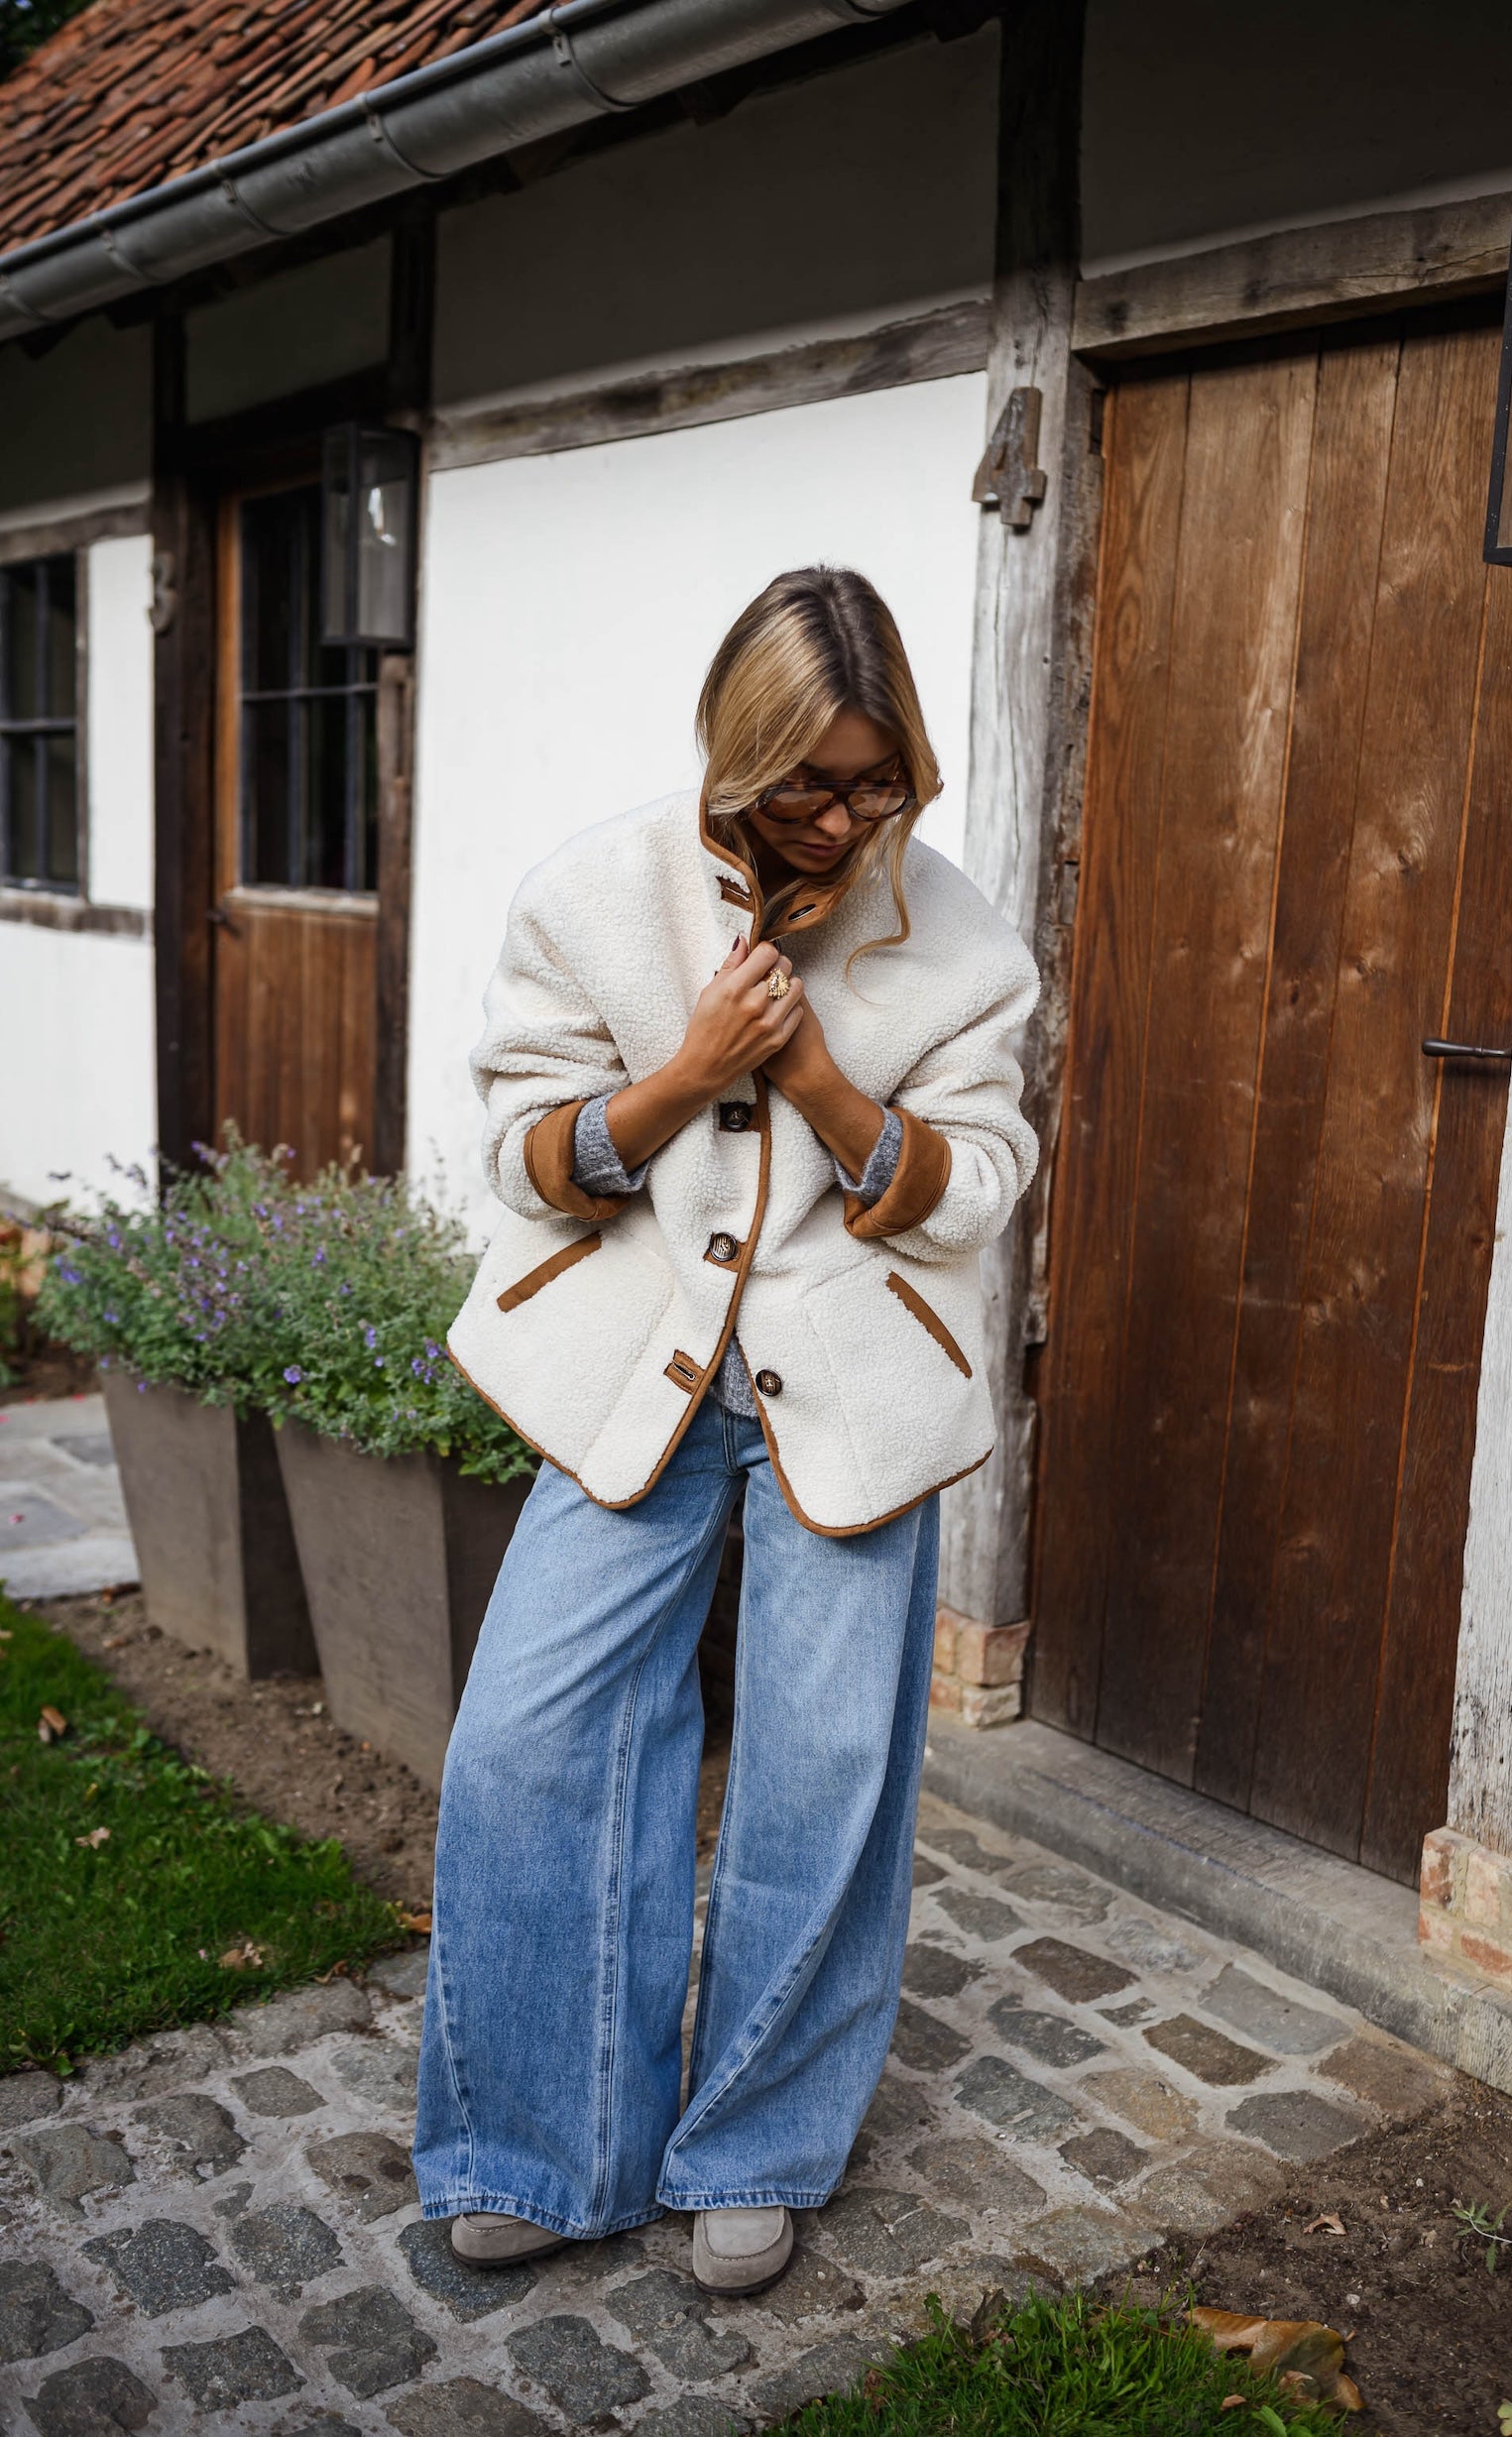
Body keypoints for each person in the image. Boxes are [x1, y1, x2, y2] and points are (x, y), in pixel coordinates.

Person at [416, 565, 1040, 2299]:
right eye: (807, 782)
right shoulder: (593, 894)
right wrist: (687, 1071)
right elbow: (519, 1151)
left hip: (848, 1378)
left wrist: (831, 1084)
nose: (844, 818)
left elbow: (976, 1185)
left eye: (876, 779)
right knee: (528, 1743)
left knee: (821, 1767)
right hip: (636, 1370)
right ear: (732, 754)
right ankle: (543, 2145)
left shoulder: (966, 944)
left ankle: (754, 2141)